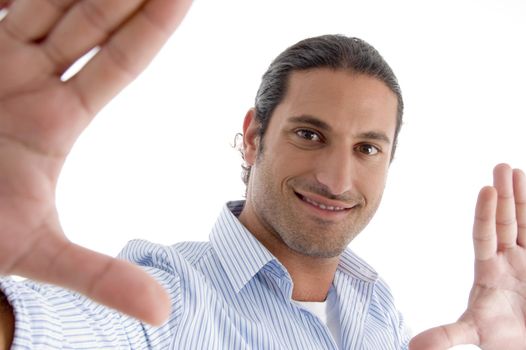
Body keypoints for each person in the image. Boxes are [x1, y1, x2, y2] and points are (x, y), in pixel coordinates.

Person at [0, 0, 525, 349]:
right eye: (310, 135)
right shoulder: (169, 298)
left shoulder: (378, 314)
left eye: (366, 148)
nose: (338, 180)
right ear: (253, 137)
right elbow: (56, 329)